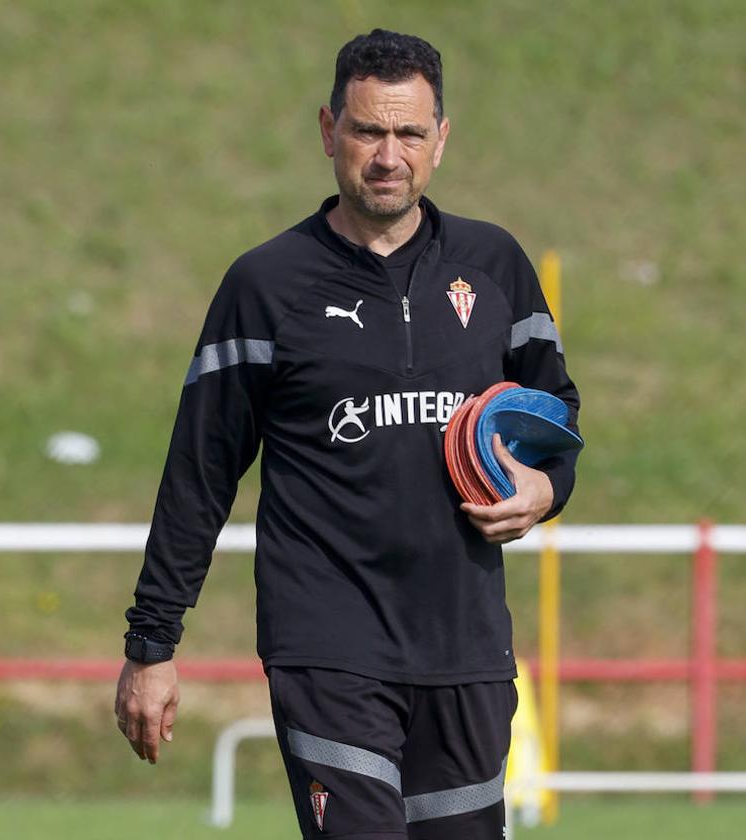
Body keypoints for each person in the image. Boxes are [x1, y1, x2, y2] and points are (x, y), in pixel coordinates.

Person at [113, 29, 581, 839]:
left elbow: (555, 419)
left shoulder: (495, 265)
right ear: (329, 131)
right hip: (326, 642)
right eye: (367, 131)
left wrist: (543, 491)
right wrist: (152, 644)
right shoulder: (266, 285)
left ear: (442, 138)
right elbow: (200, 472)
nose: (387, 155)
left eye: (408, 133)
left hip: (464, 645)